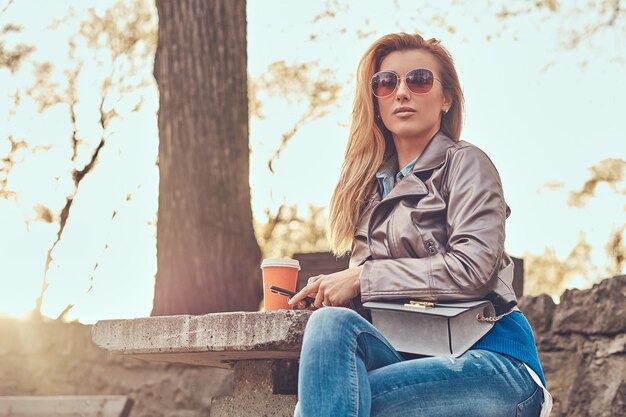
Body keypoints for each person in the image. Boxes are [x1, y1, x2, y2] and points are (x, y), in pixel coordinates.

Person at [287, 33, 550, 417]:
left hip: (493, 363)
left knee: (329, 402)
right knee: (330, 326)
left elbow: (472, 269)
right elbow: (368, 306)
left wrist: (362, 278)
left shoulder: (467, 164)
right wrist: (328, 293)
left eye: (419, 80)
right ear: (375, 101)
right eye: (387, 82)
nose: (402, 92)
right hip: (409, 356)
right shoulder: (368, 193)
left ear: (446, 98)